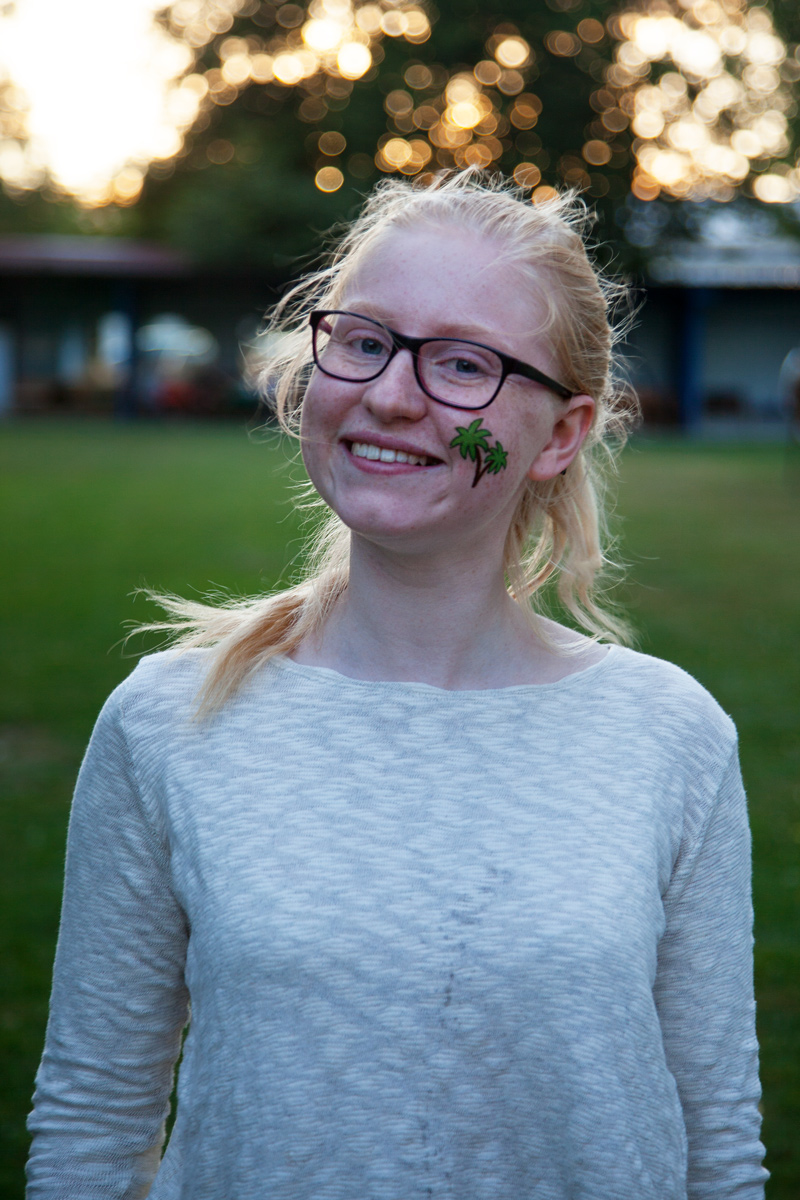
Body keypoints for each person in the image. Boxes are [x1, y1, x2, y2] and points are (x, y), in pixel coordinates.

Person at [26, 170, 767, 1198]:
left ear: (560, 435)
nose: (388, 394)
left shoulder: (667, 735)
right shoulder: (170, 722)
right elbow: (93, 1123)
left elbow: (717, 1145)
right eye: (366, 341)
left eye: (463, 363)